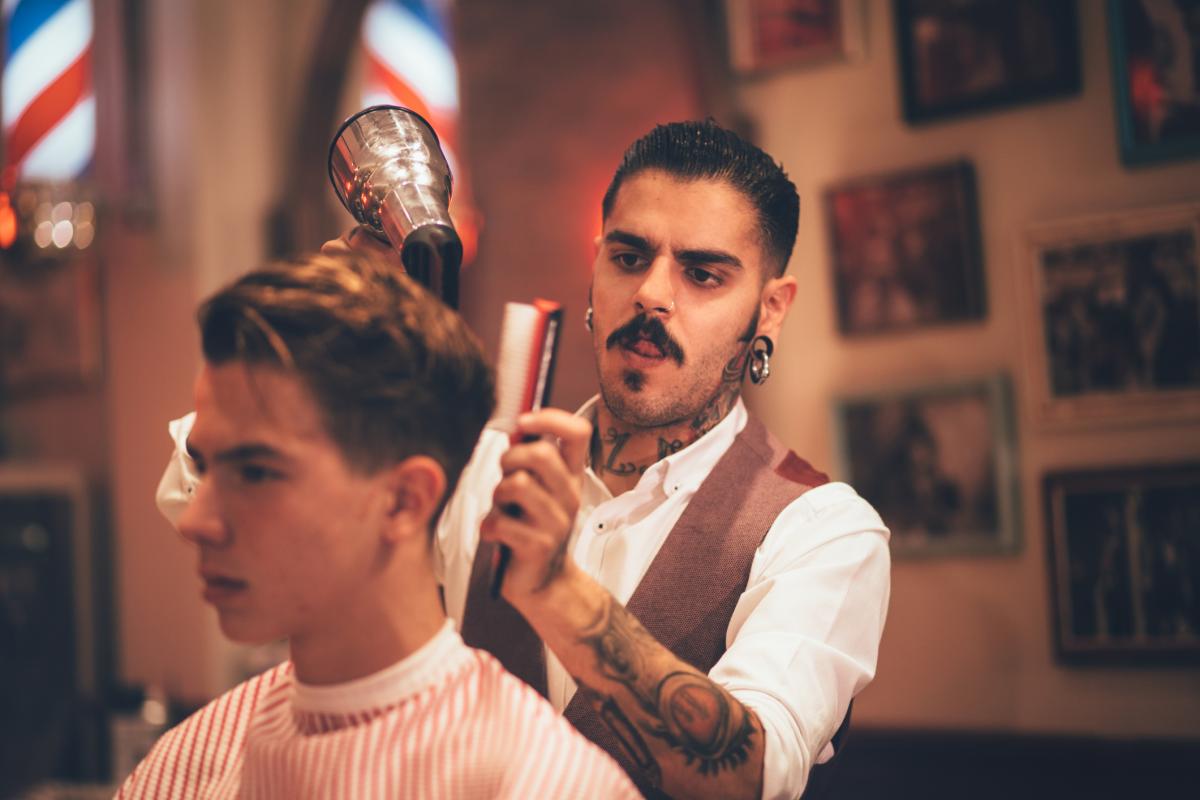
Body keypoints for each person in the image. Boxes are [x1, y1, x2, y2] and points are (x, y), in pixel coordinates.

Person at [159, 120, 891, 799]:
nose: (650, 294)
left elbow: (752, 772)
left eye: (703, 274)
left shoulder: (822, 531)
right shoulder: (471, 468)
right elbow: (222, 505)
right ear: (595, 264)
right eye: (628, 258)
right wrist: (322, 353)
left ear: (771, 307)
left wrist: (554, 589)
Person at [124, 251, 639, 798]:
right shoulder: (183, 768)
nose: (196, 519)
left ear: (404, 500)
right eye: (205, 466)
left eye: (255, 472)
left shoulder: (542, 784)